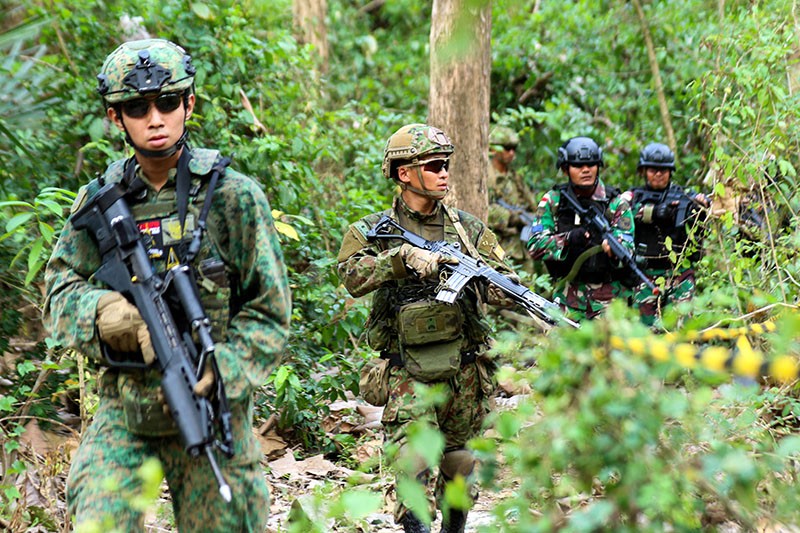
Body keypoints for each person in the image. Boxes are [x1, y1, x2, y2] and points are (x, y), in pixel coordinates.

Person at [43, 39, 291, 530]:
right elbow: (58, 292)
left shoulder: (233, 197)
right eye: (136, 108)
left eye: (167, 103)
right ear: (116, 118)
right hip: (126, 409)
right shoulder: (100, 201)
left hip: (211, 405)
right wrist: (114, 316)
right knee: (99, 518)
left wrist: (224, 370)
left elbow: (269, 310)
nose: (154, 118)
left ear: (189, 104)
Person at [337, 123, 517, 533]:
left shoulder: (468, 230)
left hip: (465, 370)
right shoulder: (372, 230)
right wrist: (403, 259)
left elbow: (506, 285)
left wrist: (480, 278)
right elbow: (350, 275)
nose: (444, 173)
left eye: (446, 165)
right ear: (405, 173)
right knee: (413, 464)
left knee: (460, 466)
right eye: (434, 165)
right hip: (408, 370)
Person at [527, 136, 635, 320]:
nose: (586, 170)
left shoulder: (616, 204)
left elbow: (627, 245)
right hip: (567, 300)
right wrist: (568, 239)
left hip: (610, 302)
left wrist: (613, 247)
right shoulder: (554, 201)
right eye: (578, 166)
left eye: (592, 164)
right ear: (565, 168)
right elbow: (535, 246)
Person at [628, 142, 708, 326]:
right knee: (645, 330)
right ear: (643, 171)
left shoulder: (684, 195)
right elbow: (618, 214)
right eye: (653, 170)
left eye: (663, 170)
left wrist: (701, 205)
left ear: (670, 172)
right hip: (645, 273)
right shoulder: (633, 196)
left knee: (681, 329)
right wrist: (652, 212)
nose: (658, 174)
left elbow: (703, 209)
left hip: (679, 273)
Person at [486, 125, 538, 271]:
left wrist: (529, 217)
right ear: (494, 149)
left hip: (521, 250)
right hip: (497, 250)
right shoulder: (486, 177)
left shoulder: (515, 178)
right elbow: (480, 209)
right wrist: (510, 217)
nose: (511, 153)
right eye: (507, 148)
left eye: (514, 148)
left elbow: (532, 206)